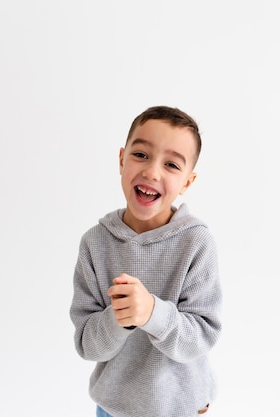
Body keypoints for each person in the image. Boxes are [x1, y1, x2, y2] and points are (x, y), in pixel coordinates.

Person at [69, 105, 223, 417]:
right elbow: (87, 344)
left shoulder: (196, 242)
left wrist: (153, 313)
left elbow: (202, 336)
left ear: (187, 183)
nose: (152, 171)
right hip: (114, 409)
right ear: (122, 159)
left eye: (171, 165)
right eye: (141, 155)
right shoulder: (95, 244)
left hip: (180, 409)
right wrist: (120, 318)